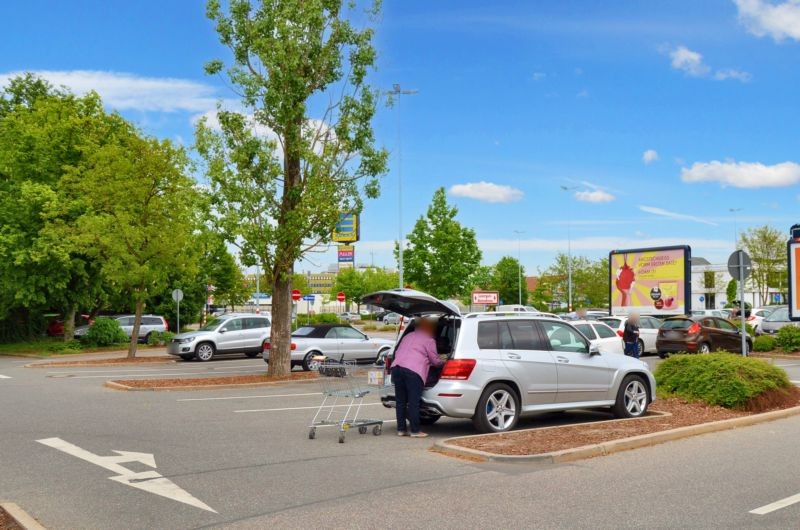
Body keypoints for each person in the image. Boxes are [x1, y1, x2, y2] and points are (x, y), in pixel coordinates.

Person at [391, 317, 445, 438]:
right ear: (428, 328)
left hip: (396, 368)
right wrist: (444, 362)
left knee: (400, 402)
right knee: (413, 402)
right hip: (413, 371)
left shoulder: (407, 336)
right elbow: (435, 361)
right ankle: (415, 431)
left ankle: (401, 429)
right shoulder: (429, 340)